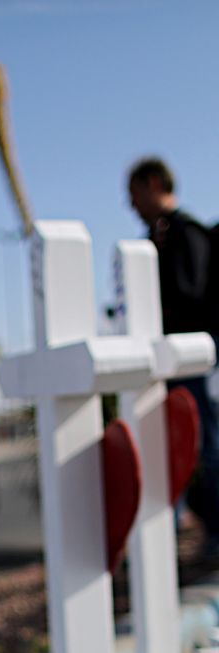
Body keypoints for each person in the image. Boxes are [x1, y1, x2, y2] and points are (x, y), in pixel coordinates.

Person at [128, 156, 219, 555]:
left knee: (206, 445)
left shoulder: (186, 232)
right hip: (170, 366)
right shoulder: (159, 236)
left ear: (152, 184)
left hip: (195, 362)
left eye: (132, 193)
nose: (129, 205)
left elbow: (192, 292)